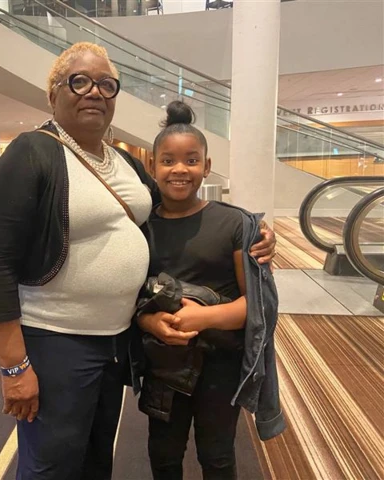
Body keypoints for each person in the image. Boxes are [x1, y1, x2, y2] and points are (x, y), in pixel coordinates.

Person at [0, 42, 276, 480]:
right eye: (79, 81)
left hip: (115, 340)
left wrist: (255, 229)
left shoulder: (125, 164)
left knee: (96, 456)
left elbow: (175, 206)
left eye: (106, 85)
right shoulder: (31, 153)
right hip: (57, 339)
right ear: (52, 93)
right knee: (52, 462)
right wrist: (14, 366)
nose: (94, 91)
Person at [136, 101, 285, 480]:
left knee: (216, 454)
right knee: (163, 452)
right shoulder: (140, 228)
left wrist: (203, 317)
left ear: (206, 164)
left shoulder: (233, 223)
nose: (179, 169)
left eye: (191, 160)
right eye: (167, 161)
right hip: (164, 361)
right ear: (152, 166)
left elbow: (258, 306)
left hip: (221, 361)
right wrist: (152, 323)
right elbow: (131, 296)